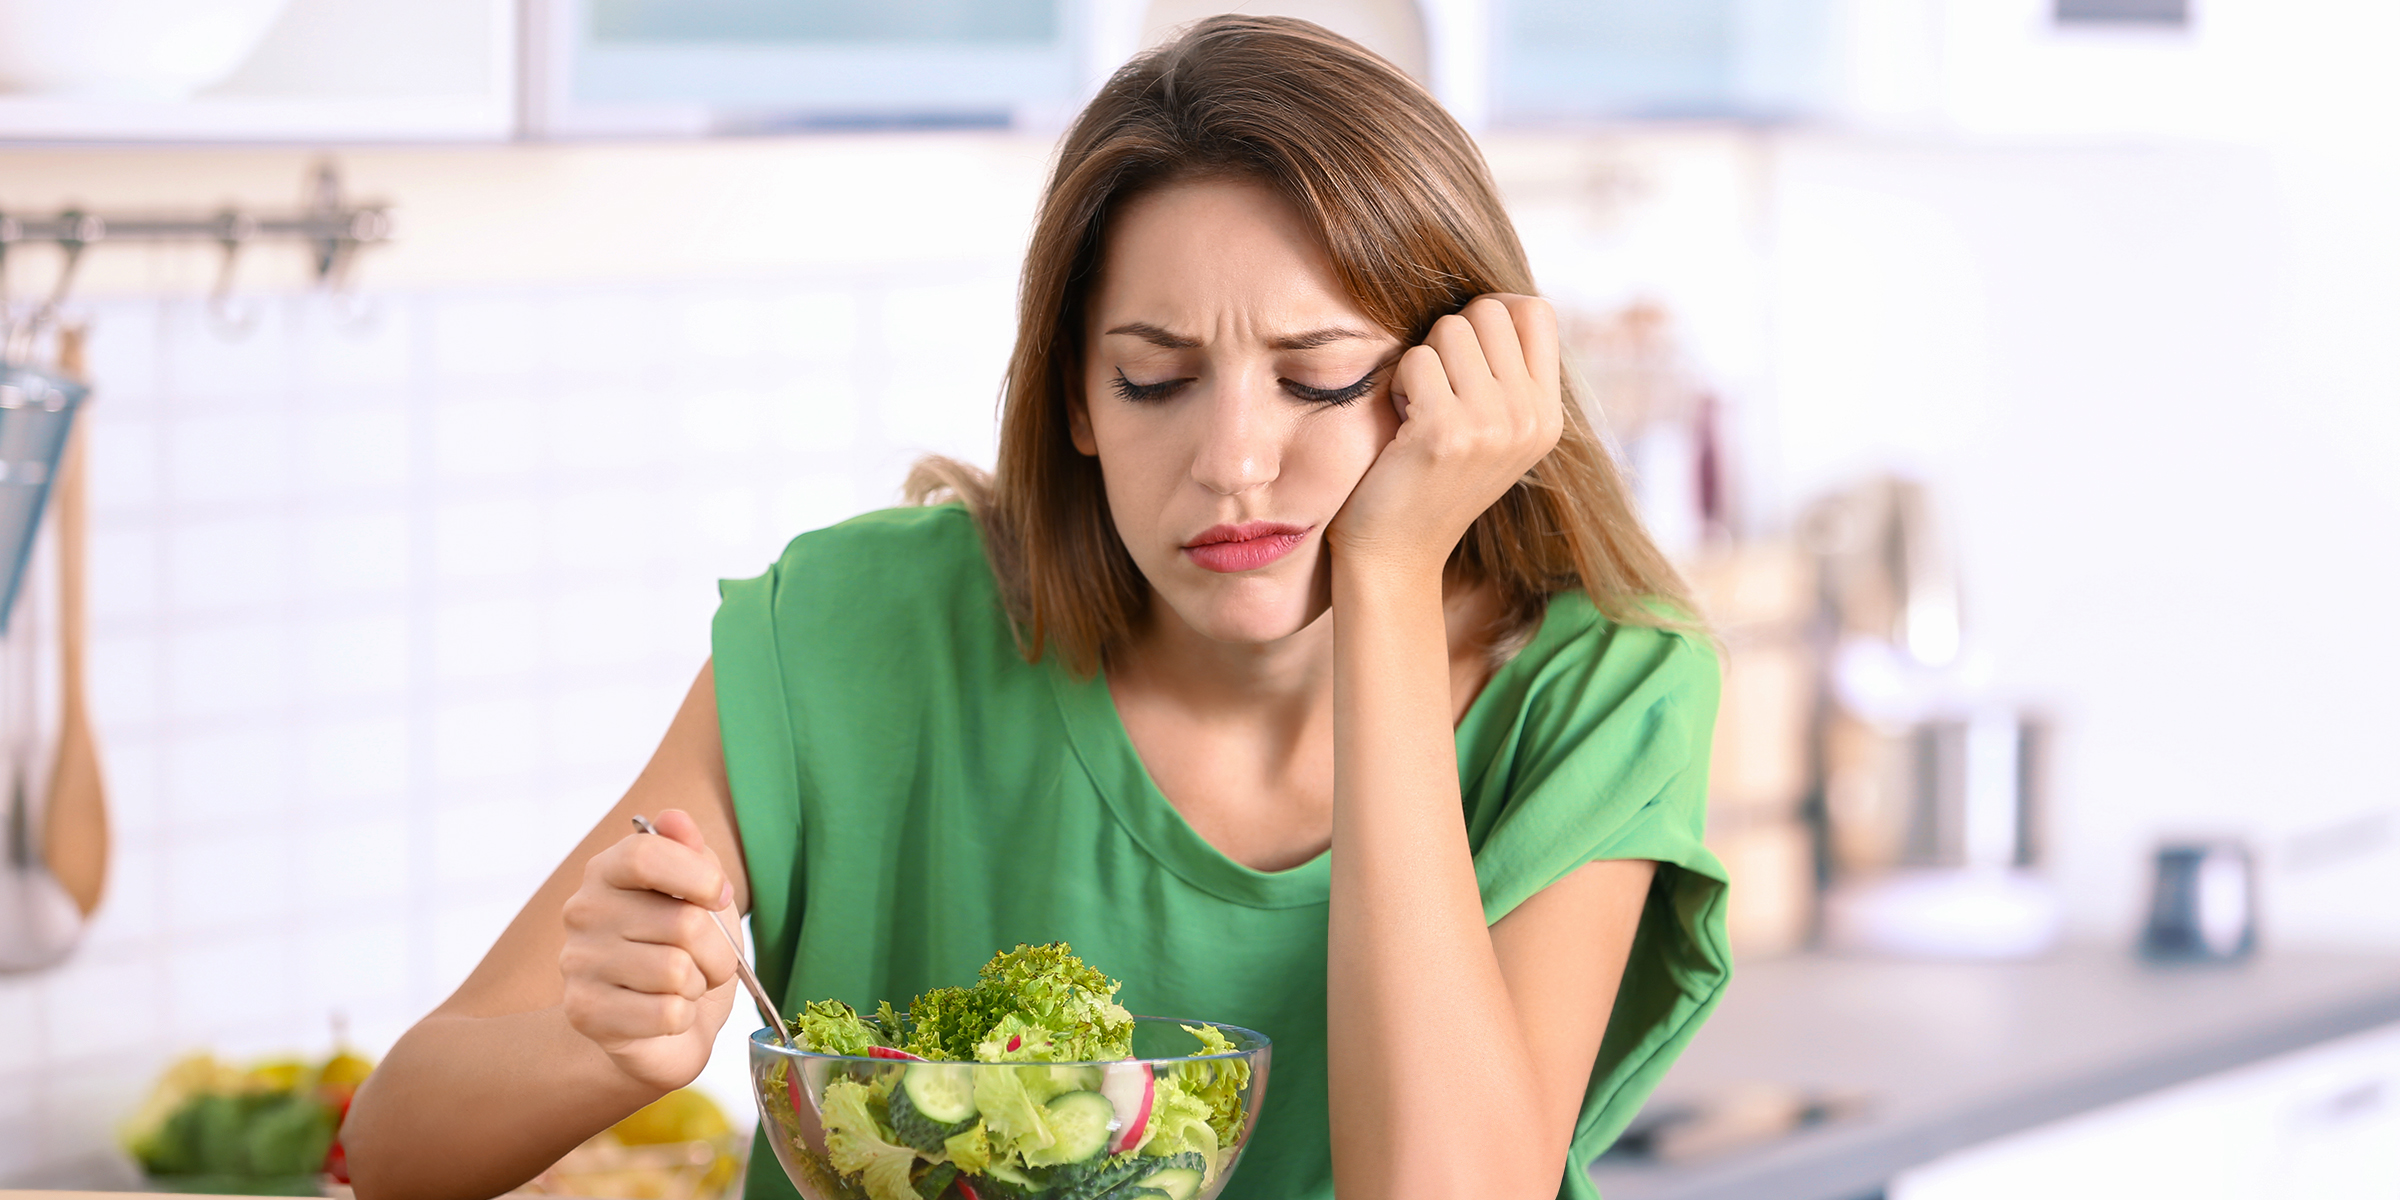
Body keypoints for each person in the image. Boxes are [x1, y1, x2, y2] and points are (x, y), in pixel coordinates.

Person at [344, 16, 1729, 1200]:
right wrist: (606, 1042)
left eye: (1316, 377)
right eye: (1153, 377)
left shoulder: (1602, 690)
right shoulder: (858, 631)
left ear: (1459, 383)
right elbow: (392, 1146)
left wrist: (1385, 578)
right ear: (1073, 395)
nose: (1233, 460)